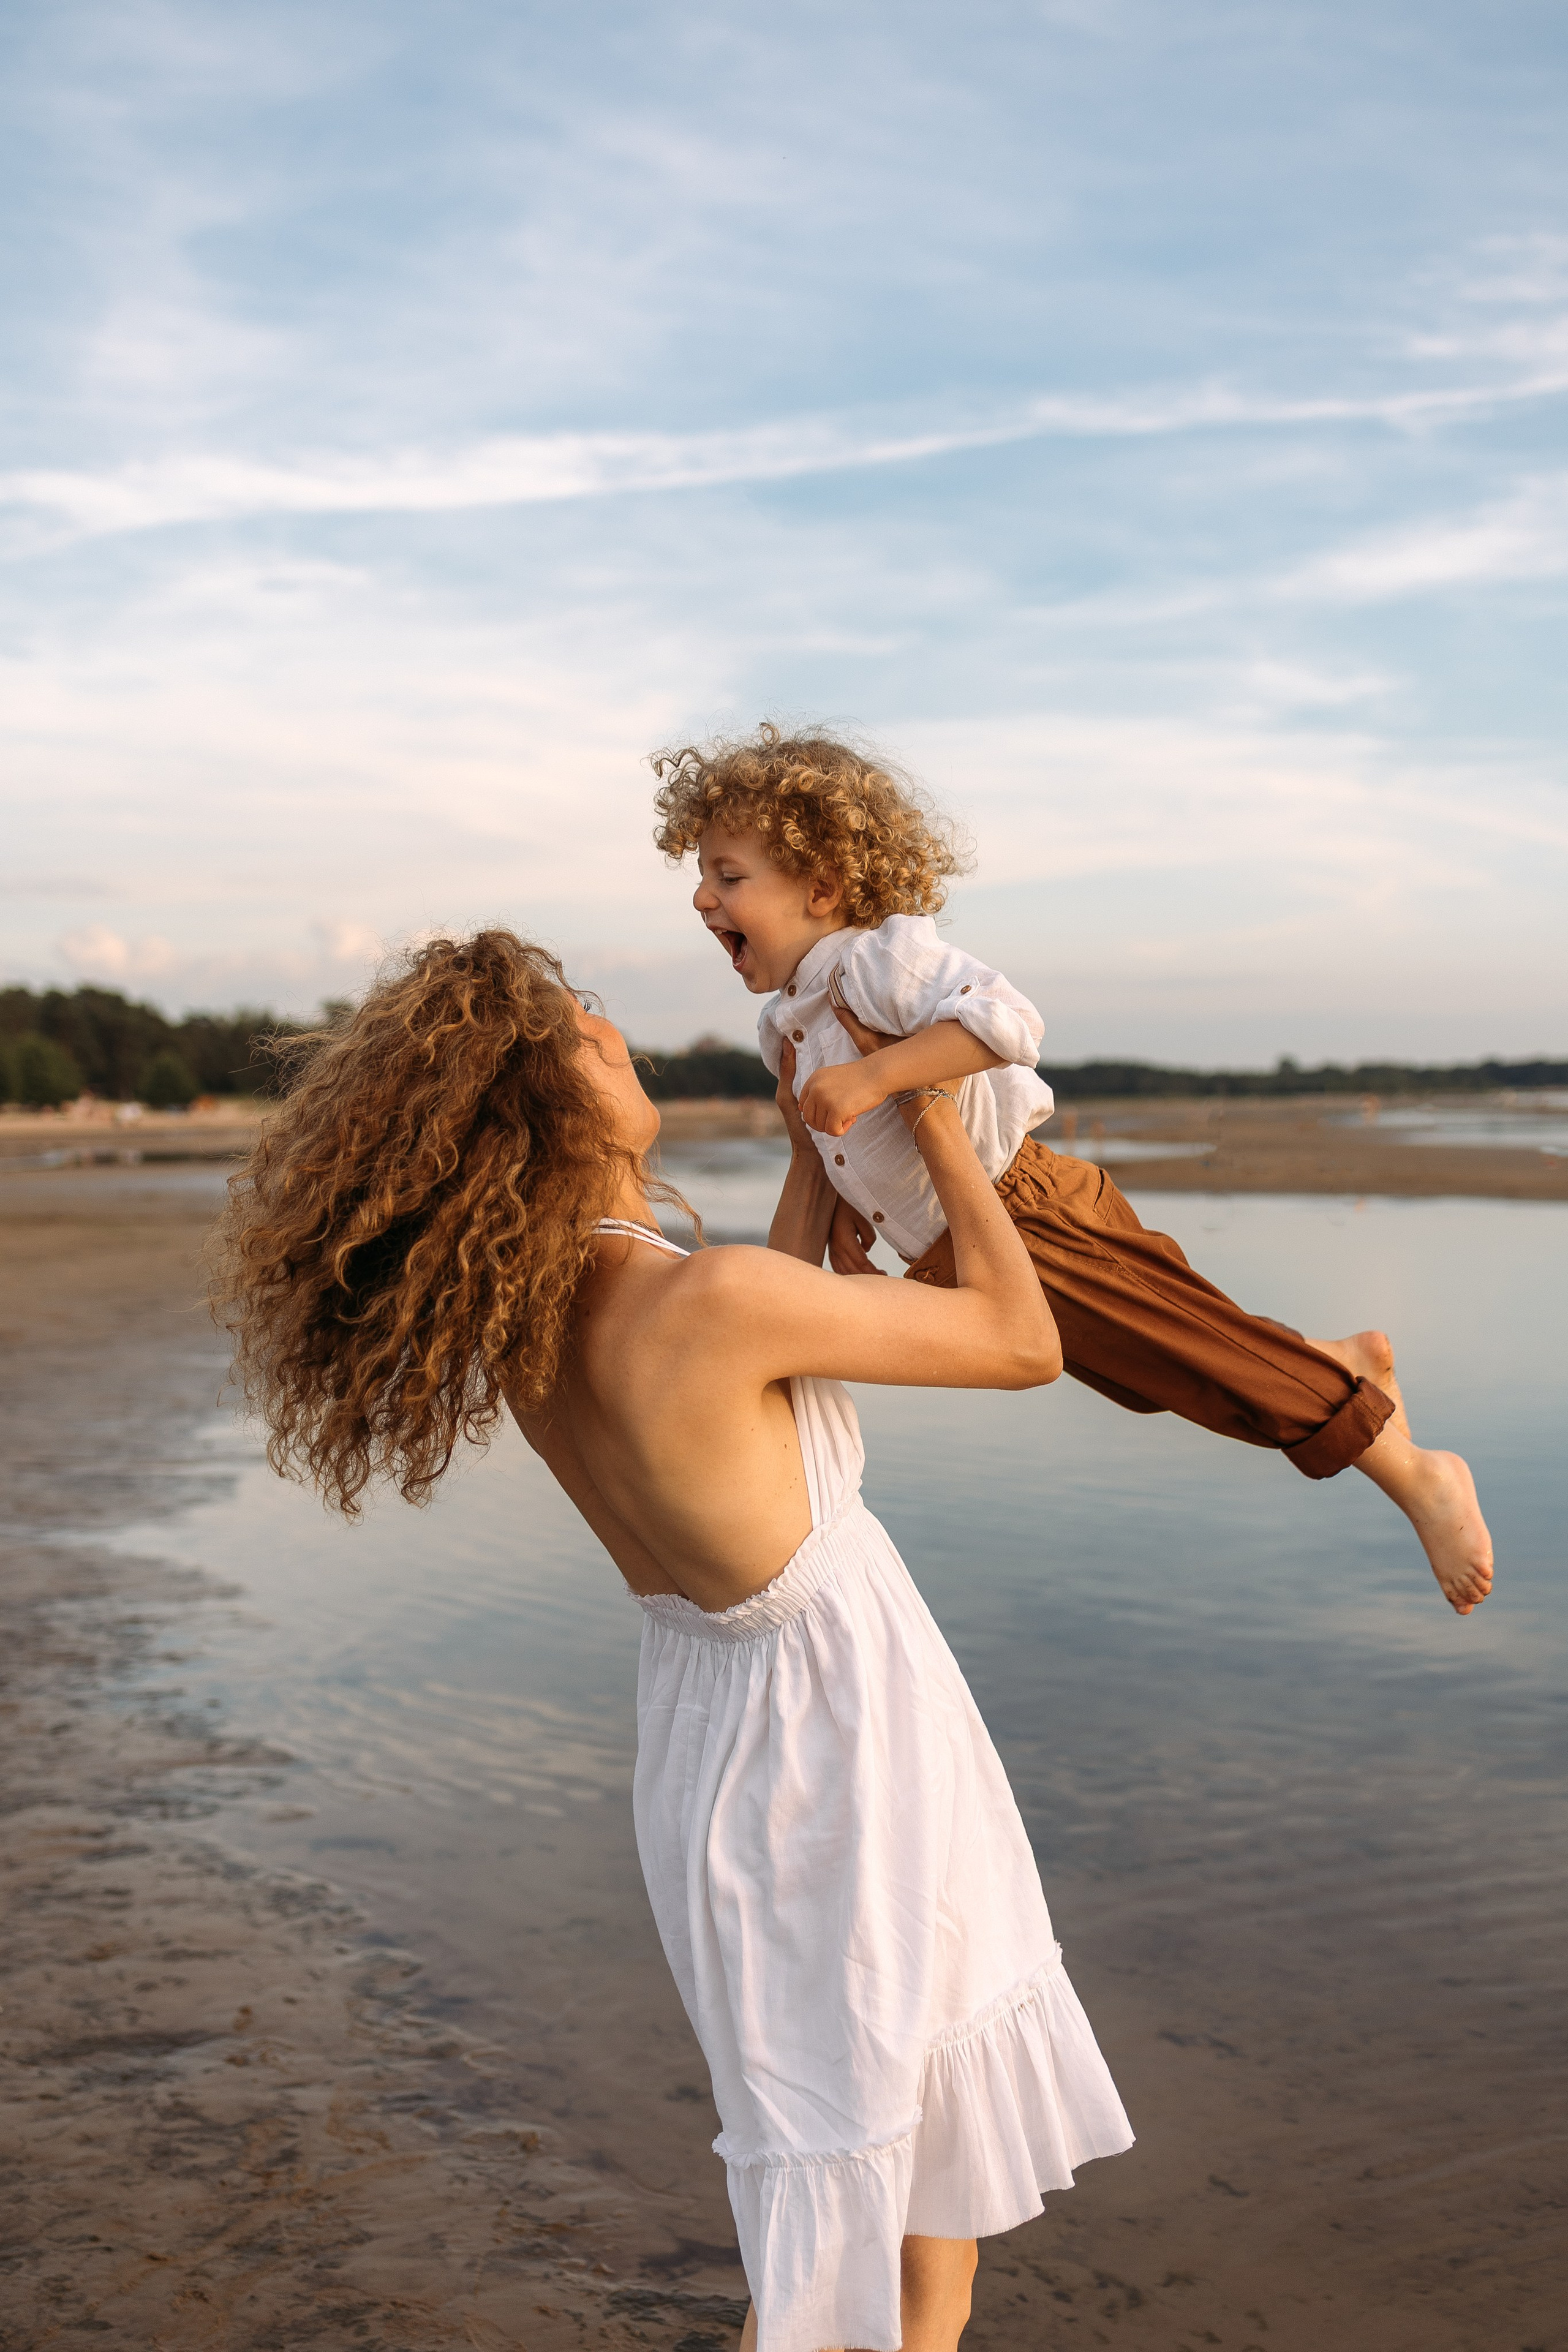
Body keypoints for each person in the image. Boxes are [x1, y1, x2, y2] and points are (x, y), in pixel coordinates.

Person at [214, 930, 1133, 2352]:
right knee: (869, 2182)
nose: (611, 1034)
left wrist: (800, 1152)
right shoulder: (695, 1299)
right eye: (581, 1035)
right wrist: (935, 1116)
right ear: (535, 1104)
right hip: (840, 1738)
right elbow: (1019, 1341)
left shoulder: (546, 1319)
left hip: (724, 1738)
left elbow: (762, 1360)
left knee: (874, 2158)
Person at [651, 723, 1494, 1619]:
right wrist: (852, 1210)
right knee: (1156, 1376)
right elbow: (841, 1140)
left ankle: (1418, 1474)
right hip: (969, 1247)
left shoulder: (879, 961)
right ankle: (1332, 1358)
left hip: (1028, 1214)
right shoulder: (784, 1021)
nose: (704, 898)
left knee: (1204, 1362)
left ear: (823, 887)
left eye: (730, 877)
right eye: (701, 875)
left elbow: (1009, 1023)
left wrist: (874, 1075)